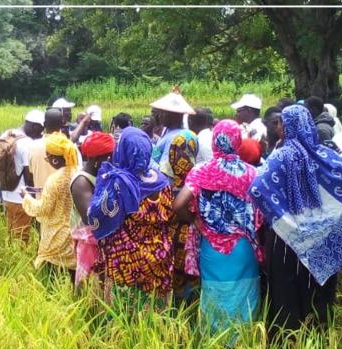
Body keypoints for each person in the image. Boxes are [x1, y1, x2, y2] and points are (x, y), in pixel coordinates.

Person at [249, 105, 342, 336]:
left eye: (280, 123)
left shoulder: (282, 155)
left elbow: (257, 189)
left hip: (286, 240)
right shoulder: (326, 155)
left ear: (287, 126)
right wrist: (329, 218)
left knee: (286, 295)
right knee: (317, 293)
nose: (277, 127)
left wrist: (284, 217)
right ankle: (316, 347)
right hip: (322, 239)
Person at [173, 120, 263, 334]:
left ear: (215, 141)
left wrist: (194, 219)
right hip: (244, 247)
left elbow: (178, 205)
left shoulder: (201, 170)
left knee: (215, 294)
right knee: (245, 295)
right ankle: (245, 348)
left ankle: (215, 348)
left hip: (212, 246)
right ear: (237, 142)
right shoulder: (252, 173)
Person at [88, 126, 174, 307]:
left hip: (126, 263)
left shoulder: (119, 183)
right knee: (153, 317)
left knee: (123, 316)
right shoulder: (162, 181)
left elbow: (96, 217)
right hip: (158, 257)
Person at [150, 87, 200, 303]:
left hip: (176, 206)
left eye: (162, 112)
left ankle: (182, 305)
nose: (158, 116)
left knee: (180, 259)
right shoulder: (168, 135)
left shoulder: (183, 138)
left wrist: (173, 205)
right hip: (167, 203)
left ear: (174, 114)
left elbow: (182, 175)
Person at [21, 133, 78, 275]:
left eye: (47, 156)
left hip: (55, 237)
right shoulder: (77, 173)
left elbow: (43, 209)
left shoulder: (54, 180)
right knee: (71, 278)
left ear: (54, 159)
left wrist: (26, 197)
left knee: (51, 280)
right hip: (74, 235)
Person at [70, 132, 115, 288]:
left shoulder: (101, 175)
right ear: (96, 160)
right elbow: (91, 218)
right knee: (89, 287)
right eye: (110, 156)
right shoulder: (81, 182)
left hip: (102, 241)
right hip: (89, 243)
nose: (113, 160)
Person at [2, 110, 44, 243]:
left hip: (7, 195)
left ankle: (9, 258)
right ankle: (19, 262)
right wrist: (33, 199)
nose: (40, 133)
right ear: (32, 126)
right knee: (22, 237)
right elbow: (29, 175)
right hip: (20, 198)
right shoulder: (26, 143)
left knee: (10, 232)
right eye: (39, 129)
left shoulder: (7, 134)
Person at [29, 108, 63, 193]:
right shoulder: (70, 147)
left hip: (40, 201)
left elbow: (31, 173)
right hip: (62, 202)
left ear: (44, 124)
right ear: (62, 124)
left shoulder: (33, 146)